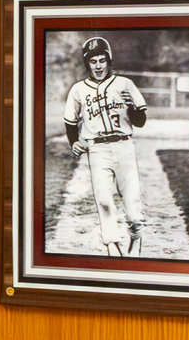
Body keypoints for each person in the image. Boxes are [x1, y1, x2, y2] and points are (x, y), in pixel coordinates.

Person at [63, 36, 147, 256]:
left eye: (102, 60)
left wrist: (132, 110)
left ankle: (136, 237)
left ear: (109, 60)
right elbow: (70, 121)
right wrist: (74, 142)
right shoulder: (79, 89)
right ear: (87, 63)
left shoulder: (125, 84)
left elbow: (141, 121)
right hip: (97, 149)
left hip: (123, 146)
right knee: (104, 200)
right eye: (93, 61)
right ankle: (112, 245)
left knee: (133, 206)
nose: (98, 66)